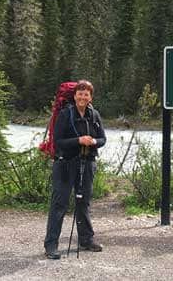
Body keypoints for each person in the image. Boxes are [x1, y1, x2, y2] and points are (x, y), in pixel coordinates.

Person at [43, 79, 106, 259]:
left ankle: (86, 240)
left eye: (86, 94)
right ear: (75, 95)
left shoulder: (94, 115)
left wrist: (93, 141)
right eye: (80, 93)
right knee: (59, 203)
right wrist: (79, 141)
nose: (82, 97)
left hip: (87, 163)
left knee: (83, 202)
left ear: (90, 97)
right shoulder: (65, 114)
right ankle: (51, 245)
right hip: (65, 163)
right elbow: (58, 142)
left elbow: (103, 139)